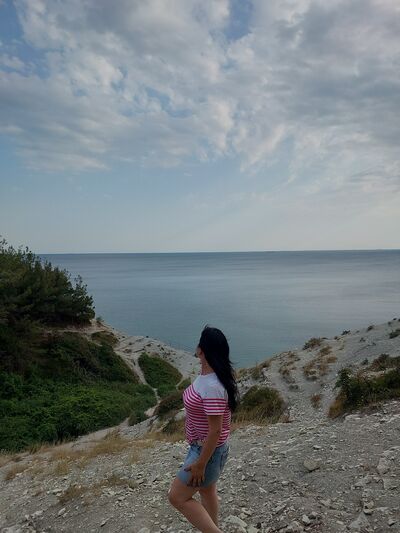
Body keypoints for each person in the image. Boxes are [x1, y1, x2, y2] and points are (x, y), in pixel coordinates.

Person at [168, 324, 239, 533]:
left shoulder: (212, 386)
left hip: (207, 452)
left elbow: (215, 430)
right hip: (205, 449)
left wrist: (200, 464)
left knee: (177, 497)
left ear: (201, 350)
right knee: (207, 491)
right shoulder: (210, 376)